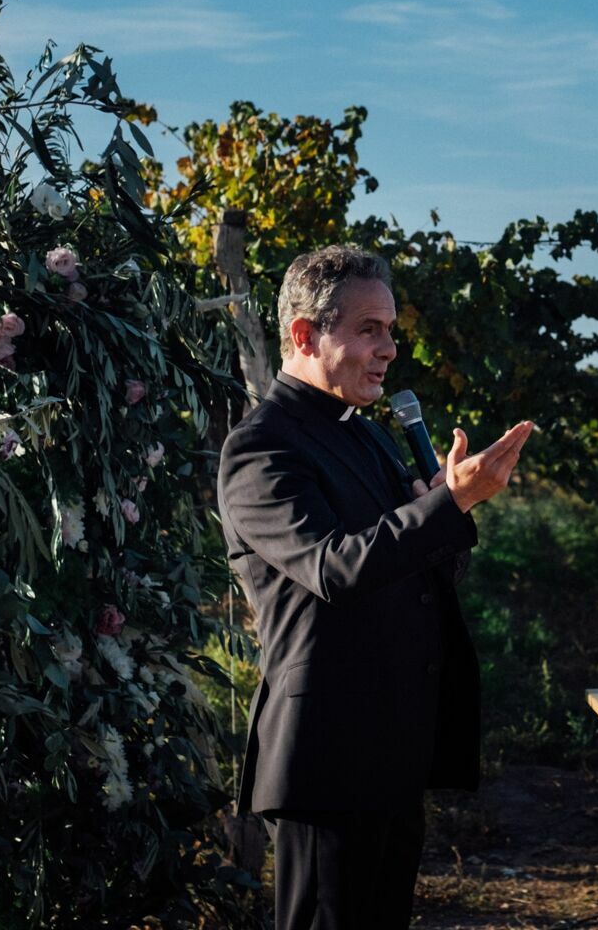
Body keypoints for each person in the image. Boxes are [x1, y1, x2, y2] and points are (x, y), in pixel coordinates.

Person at [217, 245, 535, 930]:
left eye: (390, 330)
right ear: (305, 335)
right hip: (328, 762)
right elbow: (333, 568)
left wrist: (444, 511)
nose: (390, 349)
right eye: (370, 329)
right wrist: (445, 505)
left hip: (392, 754)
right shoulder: (262, 447)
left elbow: (419, 572)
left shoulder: (366, 437)